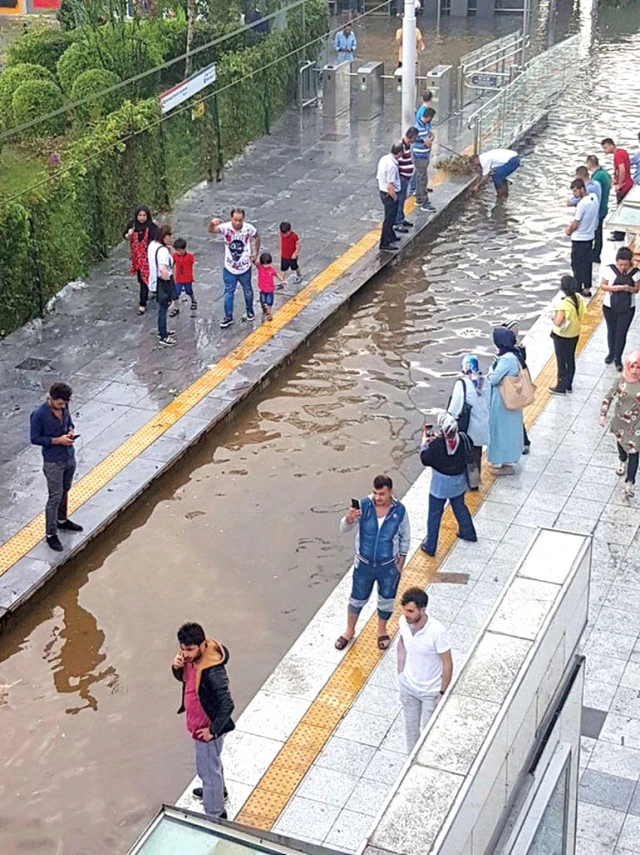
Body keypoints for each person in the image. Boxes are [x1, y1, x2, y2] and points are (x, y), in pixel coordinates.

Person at [335, 475, 410, 652]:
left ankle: (382, 630)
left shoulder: (399, 511)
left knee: (386, 599)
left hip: (388, 566)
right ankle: (349, 630)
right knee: (356, 598)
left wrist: (401, 562)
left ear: (390, 492)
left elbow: (405, 536)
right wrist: (350, 518)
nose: (377, 497)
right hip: (364, 564)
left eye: (382, 494)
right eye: (375, 493)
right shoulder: (364, 505)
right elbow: (343, 528)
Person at [172, 622, 235, 819]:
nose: (185, 654)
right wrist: (176, 668)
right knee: (212, 764)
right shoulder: (191, 659)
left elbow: (228, 704)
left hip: (206, 728)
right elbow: (185, 679)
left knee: (207, 771)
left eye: (189, 650)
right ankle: (217, 792)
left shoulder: (213, 671)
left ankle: (215, 813)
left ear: (201, 645)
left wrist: (212, 731)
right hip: (200, 723)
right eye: (182, 649)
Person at [397, 587, 452, 751]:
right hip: (408, 686)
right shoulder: (403, 622)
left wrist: (442, 693)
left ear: (423, 609)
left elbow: (447, 663)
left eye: (411, 611)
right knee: (411, 731)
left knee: (429, 734)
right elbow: (401, 643)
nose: (407, 614)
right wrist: (400, 671)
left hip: (431, 692)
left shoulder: (437, 632)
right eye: (405, 610)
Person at [30, 382, 83, 552]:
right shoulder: (39, 415)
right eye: (59, 403)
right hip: (53, 462)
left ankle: (62, 520)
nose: (62, 406)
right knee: (54, 496)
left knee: (65, 490)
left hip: (69, 456)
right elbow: (35, 438)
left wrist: (70, 432)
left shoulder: (64, 408)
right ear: (51, 399)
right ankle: (51, 533)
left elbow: (70, 423)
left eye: (65, 404)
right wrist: (56, 441)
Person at [419, 411, 477, 556]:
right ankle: (468, 532)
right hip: (458, 483)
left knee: (434, 515)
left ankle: (430, 546)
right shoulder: (464, 439)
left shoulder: (437, 445)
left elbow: (425, 459)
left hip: (440, 486)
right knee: (459, 507)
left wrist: (424, 442)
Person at [209, 208, 260, 329]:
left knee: (247, 290)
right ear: (231, 218)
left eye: (240, 220)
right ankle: (228, 316)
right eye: (235, 220)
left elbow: (257, 237)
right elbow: (211, 230)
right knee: (228, 292)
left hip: (245, 268)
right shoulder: (225, 228)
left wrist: (255, 254)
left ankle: (250, 310)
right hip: (229, 268)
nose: (237, 223)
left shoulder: (248, 228)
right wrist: (212, 223)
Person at [600, 351, 640, 499]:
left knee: (634, 451)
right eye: (633, 366)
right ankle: (622, 459)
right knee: (622, 445)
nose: (635, 370)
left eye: (638, 367)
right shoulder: (620, 381)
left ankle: (630, 483)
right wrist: (603, 415)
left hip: (637, 425)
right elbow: (608, 397)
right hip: (620, 422)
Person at [487, 328, 524, 476]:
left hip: (503, 402)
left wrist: (490, 372)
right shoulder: (515, 355)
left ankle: (502, 462)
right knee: (510, 430)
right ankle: (508, 460)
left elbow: (493, 379)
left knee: (499, 430)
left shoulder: (507, 359)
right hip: (511, 400)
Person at [447, 354, 489, 479]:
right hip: (483, 424)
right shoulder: (485, 380)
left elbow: (454, 408)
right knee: (477, 453)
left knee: (466, 453)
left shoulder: (462, 383)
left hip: (468, 426)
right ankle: (476, 479)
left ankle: (469, 482)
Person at [600, 247, 640, 371]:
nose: (623, 267)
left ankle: (618, 357)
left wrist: (628, 288)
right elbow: (603, 285)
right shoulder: (609, 270)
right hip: (609, 306)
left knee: (621, 333)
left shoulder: (635, 273)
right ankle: (611, 352)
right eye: (620, 264)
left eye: (626, 265)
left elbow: (636, 289)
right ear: (616, 261)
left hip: (627, 307)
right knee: (611, 330)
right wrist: (615, 288)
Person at [548, 275, 586, 395]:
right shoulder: (578, 298)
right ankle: (569, 384)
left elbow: (558, 322)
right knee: (570, 359)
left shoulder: (563, 304)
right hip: (574, 334)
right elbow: (582, 313)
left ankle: (561, 386)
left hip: (562, 336)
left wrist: (553, 318)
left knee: (561, 361)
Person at [565, 178, 598, 297]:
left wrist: (568, 230)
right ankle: (587, 287)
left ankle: (577, 287)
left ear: (582, 189)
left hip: (579, 239)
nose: (574, 194)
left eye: (575, 191)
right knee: (587, 263)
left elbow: (576, 223)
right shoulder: (594, 198)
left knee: (577, 265)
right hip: (589, 236)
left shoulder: (582, 204)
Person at [503, 320, 531, 454]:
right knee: (517, 417)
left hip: (511, 391)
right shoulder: (519, 349)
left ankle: (522, 443)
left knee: (514, 418)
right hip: (518, 389)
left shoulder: (509, 354)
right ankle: (523, 442)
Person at [124, 205, 157, 315]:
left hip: (148, 258)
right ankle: (146, 297)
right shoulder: (132, 225)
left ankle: (143, 303)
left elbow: (157, 239)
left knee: (148, 278)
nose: (142, 218)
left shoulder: (152, 227)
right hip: (137, 259)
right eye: (140, 215)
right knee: (141, 280)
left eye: (144, 215)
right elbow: (125, 236)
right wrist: (128, 234)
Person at [148, 224, 176, 347]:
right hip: (163, 282)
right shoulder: (163, 251)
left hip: (154, 281)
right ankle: (163, 335)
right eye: (170, 236)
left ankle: (162, 329)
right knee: (163, 308)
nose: (171, 239)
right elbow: (163, 268)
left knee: (162, 307)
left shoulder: (152, 245)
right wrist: (168, 280)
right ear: (165, 237)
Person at [601, 138, 633, 242]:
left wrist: (619, 184)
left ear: (611, 145)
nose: (604, 150)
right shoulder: (623, 152)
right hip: (629, 183)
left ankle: (619, 234)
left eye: (605, 147)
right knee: (623, 209)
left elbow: (622, 169)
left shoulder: (618, 155)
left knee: (620, 210)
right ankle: (619, 231)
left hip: (624, 186)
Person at [376, 142, 403, 251]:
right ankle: (384, 242)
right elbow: (389, 185)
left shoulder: (384, 159)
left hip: (382, 191)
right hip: (389, 195)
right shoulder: (392, 166)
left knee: (390, 217)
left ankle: (391, 236)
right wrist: (395, 197)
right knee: (389, 219)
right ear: (399, 152)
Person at [587, 155, 612, 263]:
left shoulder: (596, 177)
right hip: (604, 206)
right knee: (599, 232)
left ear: (589, 163)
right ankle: (597, 252)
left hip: (598, 209)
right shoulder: (604, 173)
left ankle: (595, 254)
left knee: (596, 233)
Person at [394, 127, 418, 233]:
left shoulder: (407, 145)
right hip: (402, 178)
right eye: (415, 138)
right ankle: (397, 222)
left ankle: (401, 218)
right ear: (411, 137)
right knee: (399, 199)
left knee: (403, 198)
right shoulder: (401, 146)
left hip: (406, 177)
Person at [412, 107, 436, 212]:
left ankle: (418, 198)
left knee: (419, 177)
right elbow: (426, 141)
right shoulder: (419, 128)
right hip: (420, 156)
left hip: (423, 155)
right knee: (423, 179)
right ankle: (424, 202)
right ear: (429, 117)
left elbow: (429, 137)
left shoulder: (423, 125)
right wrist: (428, 141)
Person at [256, 251, 285, 321]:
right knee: (262, 300)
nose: (266, 265)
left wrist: (281, 279)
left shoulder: (271, 269)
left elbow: (276, 274)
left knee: (269, 302)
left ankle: (269, 313)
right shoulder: (260, 267)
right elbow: (255, 262)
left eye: (268, 263)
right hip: (262, 289)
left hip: (270, 289)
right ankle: (263, 306)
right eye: (265, 264)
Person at [171, 238, 197, 315]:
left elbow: (193, 263)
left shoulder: (189, 256)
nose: (178, 252)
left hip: (187, 278)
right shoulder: (175, 256)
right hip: (178, 279)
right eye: (177, 250)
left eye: (179, 250)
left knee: (189, 291)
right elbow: (173, 263)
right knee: (176, 293)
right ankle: (176, 307)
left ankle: (193, 300)